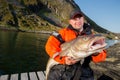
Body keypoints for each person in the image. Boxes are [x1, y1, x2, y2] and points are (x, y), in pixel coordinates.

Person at [45, 9, 107, 80]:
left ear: (83, 19)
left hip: (83, 69)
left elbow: (101, 57)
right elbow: (50, 46)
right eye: (74, 19)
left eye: (80, 18)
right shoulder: (63, 32)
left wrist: (96, 53)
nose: (78, 21)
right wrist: (63, 59)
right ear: (70, 22)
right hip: (63, 67)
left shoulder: (91, 36)